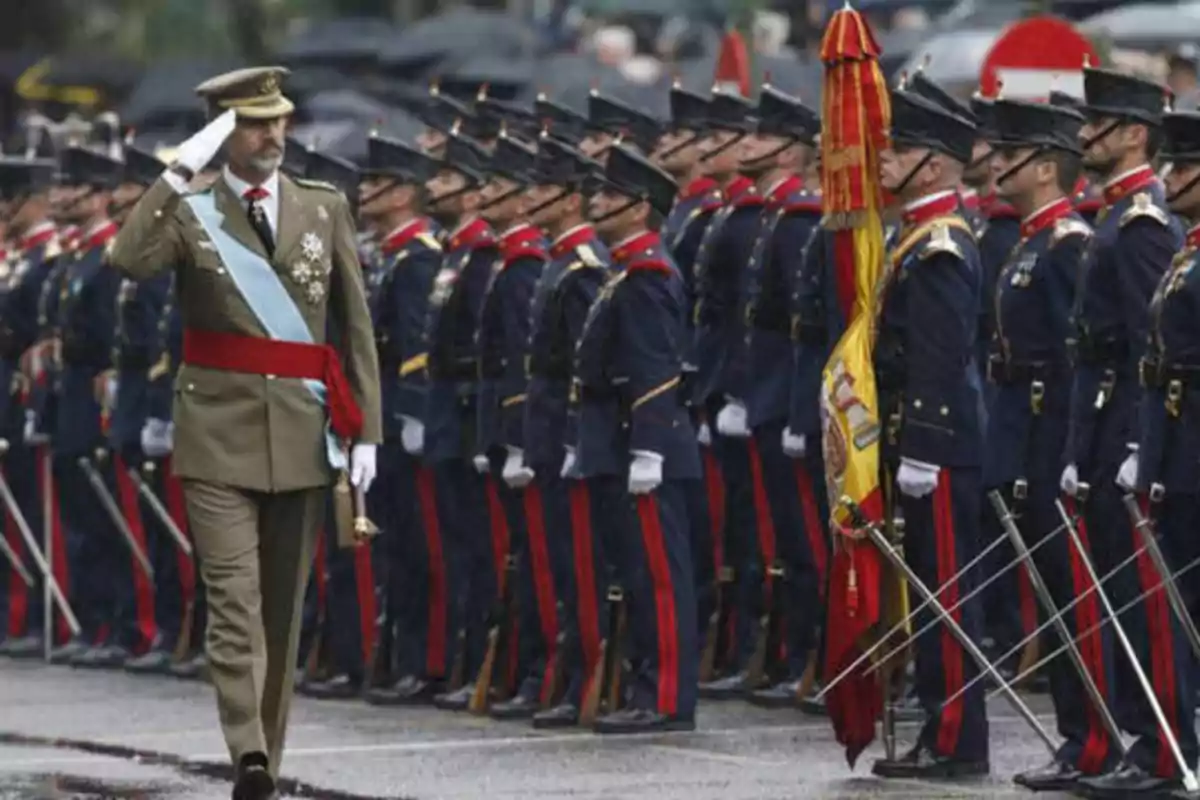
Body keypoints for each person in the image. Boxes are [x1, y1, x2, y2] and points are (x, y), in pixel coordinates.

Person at [107, 66, 382, 800]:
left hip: (303, 430)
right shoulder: (191, 212)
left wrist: (368, 435)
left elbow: (354, 331)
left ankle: (263, 756)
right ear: (224, 132)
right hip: (218, 435)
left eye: (279, 119)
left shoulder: (324, 208)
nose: (274, 134)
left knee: (282, 612)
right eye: (255, 123)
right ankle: (248, 753)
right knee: (233, 603)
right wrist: (179, 169)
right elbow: (126, 259)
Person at [983, 97, 1120, 791]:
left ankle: (1094, 738)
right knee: (1051, 589)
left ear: (1044, 168)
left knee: (1073, 595)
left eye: (1010, 155)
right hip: (1023, 430)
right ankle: (1078, 736)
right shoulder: (1031, 241)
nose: (995, 164)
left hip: (1052, 431)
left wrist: (1073, 450)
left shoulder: (1066, 244)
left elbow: (1078, 356)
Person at [1061, 65, 1187, 799]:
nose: (1082, 136)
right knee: (1111, 594)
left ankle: (1157, 747)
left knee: (1140, 597)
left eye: (1097, 124)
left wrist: (1141, 441)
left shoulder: (1139, 223)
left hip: (1124, 425)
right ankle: (1124, 742)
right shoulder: (1113, 215)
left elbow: (1153, 340)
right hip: (1098, 420)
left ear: (1134, 133)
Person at [871, 82, 989, 779]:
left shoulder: (940, 244)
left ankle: (957, 739)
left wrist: (922, 442)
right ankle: (941, 728)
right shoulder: (911, 235)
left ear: (939, 164)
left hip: (938, 447)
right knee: (929, 593)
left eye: (905, 148)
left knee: (945, 595)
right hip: (920, 443)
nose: (887, 158)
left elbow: (941, 357)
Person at [576, 142, 701, 733]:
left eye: (608, 195)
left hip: (646, 443)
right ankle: (648, 685)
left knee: (660, 577)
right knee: (639, 574)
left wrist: (648, 446)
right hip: (625, 441)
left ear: (638, 206)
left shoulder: (648, 273)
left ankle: (669, 697)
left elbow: (656, 368)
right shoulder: (627, 270)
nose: (595, 203)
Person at [736, 82, 827, 707]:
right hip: (767, 394)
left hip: (791, 398)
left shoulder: (798, 219)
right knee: (787, 540)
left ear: (793, 153)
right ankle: (800, 656)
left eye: (762, 135)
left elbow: (807, 325)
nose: (747, 144)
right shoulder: (778, 215)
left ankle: (823, 657)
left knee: (810, 542)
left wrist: (798, 407)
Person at [522, 133, 614, 728]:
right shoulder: (560, 260)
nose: (531, 198)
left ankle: (591, 674)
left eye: (541, 188)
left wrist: (579, 436)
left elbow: (589, 365)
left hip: (570, 431)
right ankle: (570, 672)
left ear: (570, 199)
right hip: (551, 429)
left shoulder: (582, 267)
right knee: (559, 558)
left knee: (583, 563)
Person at [356, 133, 450, 707]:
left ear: (405, 194)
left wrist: (413, 413)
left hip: (401, 412)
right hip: (379, 412)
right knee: (395, 544)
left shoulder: (418, 260)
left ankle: (430, 661)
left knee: (424, 545)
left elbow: (418, 346)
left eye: (375, 183)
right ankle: (404, 655)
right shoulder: (394, 257)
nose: (363, 191)